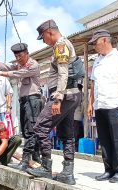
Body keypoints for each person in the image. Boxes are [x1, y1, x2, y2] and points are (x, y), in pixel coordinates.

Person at [25, 19, 83, 185]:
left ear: (49, 32)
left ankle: (46, 167)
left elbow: (63, 74)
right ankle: (67, 172)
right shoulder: (63, 45)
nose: (44, 41)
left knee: (40, 127)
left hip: (64, 96)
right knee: (67, 133)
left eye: (43, 37)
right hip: (72, 95)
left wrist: (57, 98)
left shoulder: (60, 45)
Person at [0, 42, 43, 171]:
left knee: (31, 131)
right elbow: (9, 66)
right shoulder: (19, 64)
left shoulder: (32, 65)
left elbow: (17, 73)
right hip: (24, 101)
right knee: (26, 131)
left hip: (33, 100)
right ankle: (34, 160)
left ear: (27, 53)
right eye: (16, 56)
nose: (18, 59)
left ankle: (27, 159)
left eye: (20, 56)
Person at [87, 29, 118, 183]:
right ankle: (108, 169)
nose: (94, 46)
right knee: (105, 139)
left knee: (117, 139)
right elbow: (93, 84)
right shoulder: (97, 61)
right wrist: (90, 103)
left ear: (105, 40)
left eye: (96, 42)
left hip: (115, 104)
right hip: (100, 105)